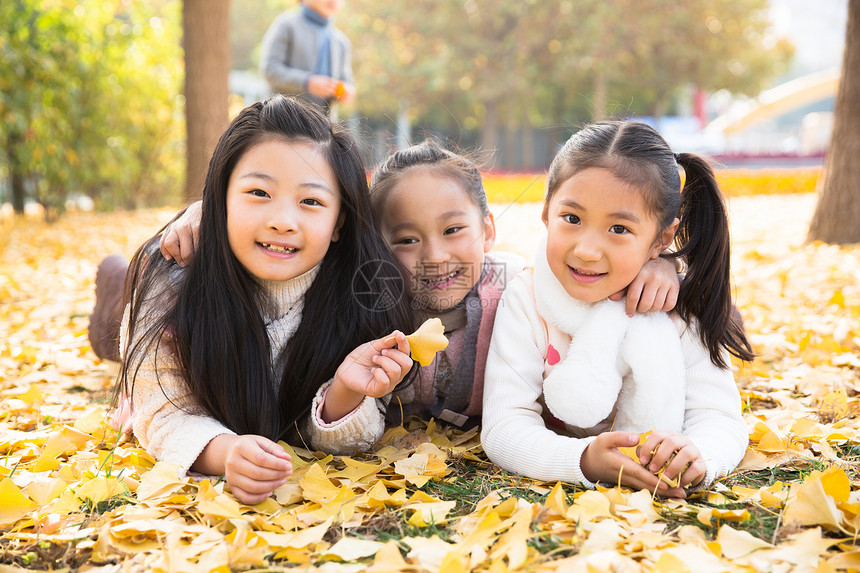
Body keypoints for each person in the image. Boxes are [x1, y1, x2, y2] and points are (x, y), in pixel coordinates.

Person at [140, 141, 681, 447]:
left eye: (453, 231)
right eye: (405, 239)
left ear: (488, 229)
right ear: (375, 242)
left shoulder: (517, 287)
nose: (436, 257)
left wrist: (665, 267)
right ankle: (120, 289)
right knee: (124, 334)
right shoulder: (360, 302)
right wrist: (201, 217)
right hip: (157, 322)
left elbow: (595, 278)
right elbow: (327, 405)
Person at [115, 96, 417, 504]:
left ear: (338, 223)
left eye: (311, 201)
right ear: (219, 199)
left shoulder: (359, 294)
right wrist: (224, 453)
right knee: (115, 332)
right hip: (150, 323)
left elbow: (334, 436)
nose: (282, 221)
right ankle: (112, 282)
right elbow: (162, 411)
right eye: (259, 192)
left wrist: (345, 391)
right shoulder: (172, 280)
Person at [481, 121, 754, 498]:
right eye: (572, 219)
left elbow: (720, 417)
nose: (587, 250)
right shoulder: (527, 300)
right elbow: (504, 426)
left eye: (619, 229)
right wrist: (582, 460)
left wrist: (699, 454)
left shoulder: (678, 306)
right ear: (546, 214)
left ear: (661, 239)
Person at [259, 0, 355, 116]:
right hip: (282, 120)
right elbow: (270, 70)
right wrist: (307, 82)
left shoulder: (341, 42)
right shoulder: (286, 25)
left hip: (322, 126)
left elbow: (347, 83)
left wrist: (345, 92)